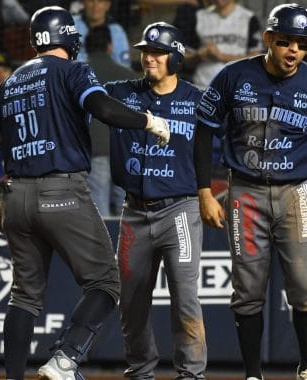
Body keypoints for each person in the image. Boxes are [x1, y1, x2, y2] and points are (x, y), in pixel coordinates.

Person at [0, 6, 170, 380]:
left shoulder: (9, 82)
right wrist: (147, 120)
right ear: (68, 36)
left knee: (24, 297)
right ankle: (65, 359)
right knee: (105, 282)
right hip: (61, 189)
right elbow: (102, 108)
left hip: (15, 195)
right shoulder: (73, 70)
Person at [193, 4, 307, 380]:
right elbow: (203, 131)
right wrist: (203, 191)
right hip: (245, 192)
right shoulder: (233, 76)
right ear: (267, 39)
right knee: (247, 289)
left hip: (298, 193)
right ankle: (252, 374)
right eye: (285, 42)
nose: (293, 50)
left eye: (302, 44)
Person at [107, 22, 207, 380]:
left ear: (176, 56)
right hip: (134, 212)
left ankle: (191, 375)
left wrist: (208, 194)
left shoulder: (197, 101)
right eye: (146, 51)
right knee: (131, 302)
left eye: (157, 52)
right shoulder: (120, 93)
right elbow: (83, 97)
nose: (148, 57)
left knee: (185, 296)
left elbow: (214, 152)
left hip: (180, 209)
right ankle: (141, 370)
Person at [85, 24, 136, 216]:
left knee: (101, 214)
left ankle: (104, 248)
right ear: (110, 47)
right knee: (127, 212)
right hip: (125, 152)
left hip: (95, 151)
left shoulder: (75, 74)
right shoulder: (128, 76)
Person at [184, 0, 264, 89]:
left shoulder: (249, 18)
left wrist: (221, 56)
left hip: (237, 88)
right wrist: (198, 55)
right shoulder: (199, 16)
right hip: (202, 86)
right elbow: (185, 58)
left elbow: (256, 60)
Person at [73, 0, 132, 67]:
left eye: (100, 1)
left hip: (107, 76)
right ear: (83, 3)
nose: (95, 6)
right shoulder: (69, 25)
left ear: (107, 5)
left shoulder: (117, 32)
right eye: (91, 1)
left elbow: (124, 67)